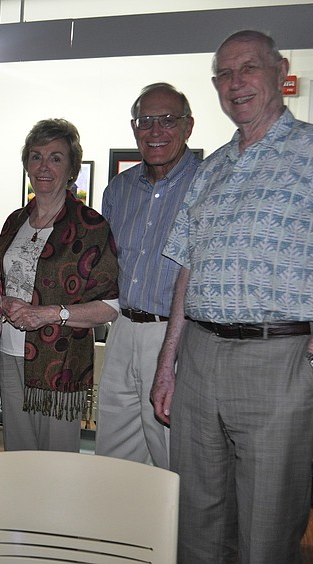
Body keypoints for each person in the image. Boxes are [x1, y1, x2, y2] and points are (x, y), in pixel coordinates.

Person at [150, 30, 313, 563]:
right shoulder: (210, 170)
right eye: (225, 75)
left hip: (280, 360)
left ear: (281, 72)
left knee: (266, 529)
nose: (237, 83)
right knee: (196, 522)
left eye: (248, 68)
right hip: (201, 359)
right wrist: (169, 366)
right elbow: (187, 273)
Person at [0, 118, 119, 452]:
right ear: (26, 165)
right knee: (18, 451)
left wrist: (50, 314)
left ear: (72, 167)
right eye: (35, 156)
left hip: (60, 362)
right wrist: (4, 302)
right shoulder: (15, 222)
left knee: (56, 459)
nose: (44, 166)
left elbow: (110, 307)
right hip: (9, 353)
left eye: (55, 157)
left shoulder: (90, 225)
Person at [94, 83, 199, 469]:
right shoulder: (118, 190)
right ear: (134, 128)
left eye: (168, 120)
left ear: (188, 126)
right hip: (121, 329)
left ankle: (175, 532)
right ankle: (122, 530)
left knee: (171, 455)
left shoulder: (205, 185)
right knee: (114, 451)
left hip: (177, 337)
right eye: (145, 121)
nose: (155, 131)